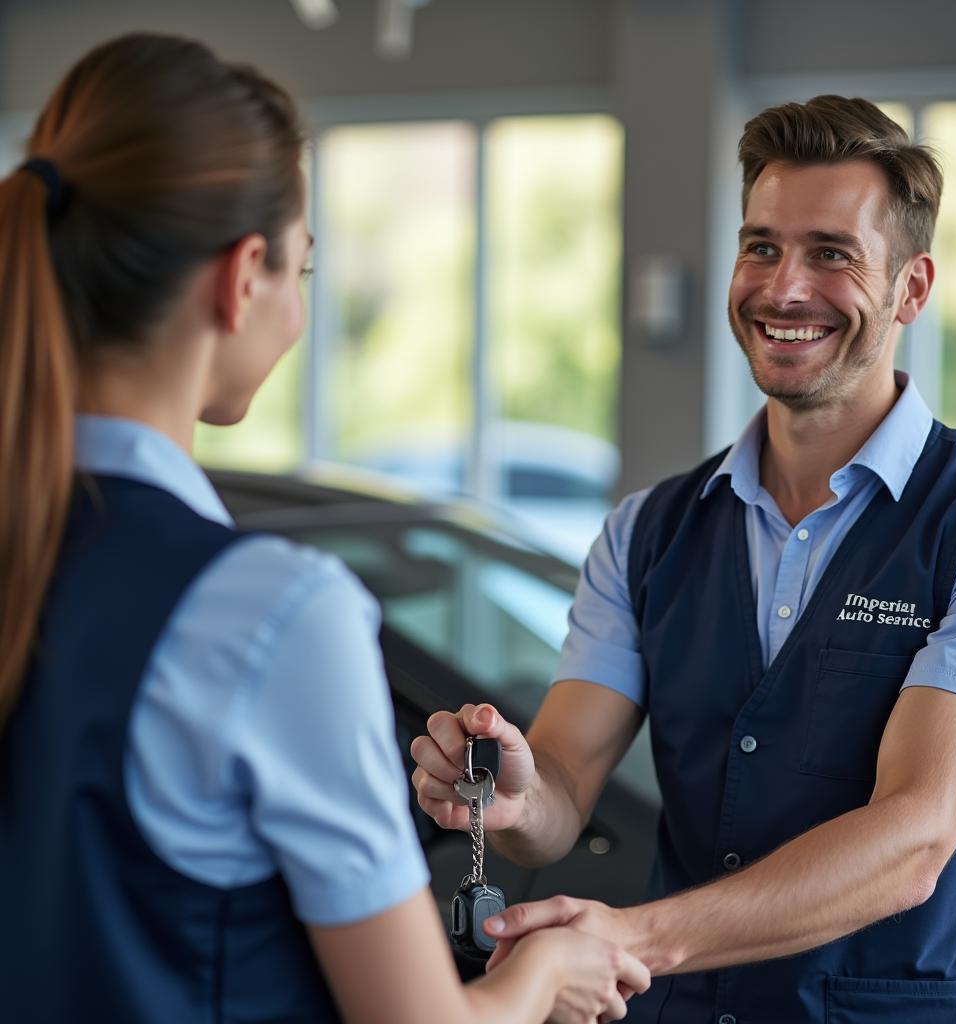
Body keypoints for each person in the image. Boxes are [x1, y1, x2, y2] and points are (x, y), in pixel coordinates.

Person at [0, 33, 650, 1024]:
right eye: (303, 271)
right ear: (242, 274)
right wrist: (542, 977)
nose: (299, 311)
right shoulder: (269, 611)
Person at [412, 95, 956, 1022]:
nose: (784, 289)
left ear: (912, 288)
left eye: (832, 253)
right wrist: (515, 800)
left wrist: (631, 938)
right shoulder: (646, 530)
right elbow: (566, 787)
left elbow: (916, 837)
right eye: (762, 246)